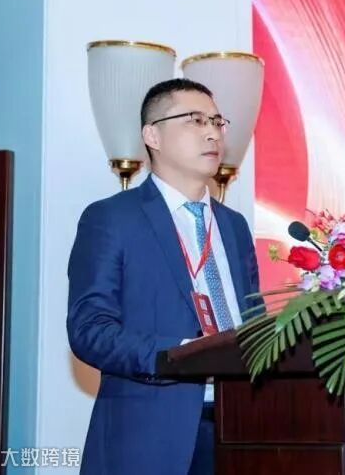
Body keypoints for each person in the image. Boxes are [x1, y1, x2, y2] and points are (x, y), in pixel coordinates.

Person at [67, 78, 261, 474]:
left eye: (217, 121)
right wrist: (182, 356)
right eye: (195, 120)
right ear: (152, 135)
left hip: (243, 426)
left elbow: (253, 324)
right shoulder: (112, 218)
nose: (212, 132)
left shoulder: (235, 226)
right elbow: (90, 330)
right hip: (150, 435)